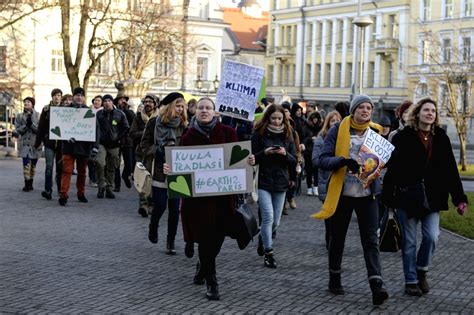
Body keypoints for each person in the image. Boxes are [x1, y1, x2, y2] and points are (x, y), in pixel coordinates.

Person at [382, 98, 468, 297]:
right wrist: (388, 197)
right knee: (409, 242)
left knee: (432, 236)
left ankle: (422, 271)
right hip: (407, 196)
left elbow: (450, 171)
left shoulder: (442, 138)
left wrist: (459, 198)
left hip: (433, 197)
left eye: (433, 111)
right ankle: (411, 280)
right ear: (417, 113)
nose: (430, 113)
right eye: (426, 110)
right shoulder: (403, 137)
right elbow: (393, 169)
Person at [176, 97, 254, 300]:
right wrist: (171, 169)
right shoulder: (188, 137)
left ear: (215, 112)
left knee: (215, 241)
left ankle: (203, 267)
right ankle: (212, 282)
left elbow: (239, 161)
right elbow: (181, 168)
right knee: (205, 239)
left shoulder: (229, 133)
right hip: (198, 201)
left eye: (208, 108)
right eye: (200, 107)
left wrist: (249, 160)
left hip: (223, 199)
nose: (204, 111)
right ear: (195, 112)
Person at [317, 94, 389, 306]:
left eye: (369, 108)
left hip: (367, 195)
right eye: (361, 108)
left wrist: (380, 170)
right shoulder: (337, 130)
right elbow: (322, 159)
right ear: (353, 110)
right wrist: (342, 161)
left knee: (371, 241)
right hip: (342, 195)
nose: (365, 111)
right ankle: (334, 277)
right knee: (337, 238)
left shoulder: (375, 132)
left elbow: (382, 162)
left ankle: (377, 286)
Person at [140, 92, 187, 254]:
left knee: (175, 208)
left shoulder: (184, 124)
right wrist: (161, 149)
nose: (181, 109)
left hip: (179, 171)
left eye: (183, 106)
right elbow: (144, 146)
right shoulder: (155, 122)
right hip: (159, 169)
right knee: (159, 205)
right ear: (169, 106)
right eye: (178, 105)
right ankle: (153, 226)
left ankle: (171, 242)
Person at [251, 104, 296, 268]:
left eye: (279, 118)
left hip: (281, 181)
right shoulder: (258, 134)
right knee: (268, 217)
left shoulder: (288, 134)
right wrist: (266, 153)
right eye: (273, 118)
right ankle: (269, 253)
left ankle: (263, 237)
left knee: (275, 222)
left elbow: (294, 160)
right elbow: (252, 158)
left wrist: (285, 154)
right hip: (263, 180)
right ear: (267, 118)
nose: (277, 122)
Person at [58, 87, 99, 206]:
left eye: (81, 95)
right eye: (77, 95)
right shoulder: (66, 111)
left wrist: (95, 146)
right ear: (73, 96)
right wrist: (66, 137)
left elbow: (95, 130)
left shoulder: (89, 112)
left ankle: (81, 193)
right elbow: (60, 127)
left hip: (83, 147)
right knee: (67, 171)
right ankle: (63, 194)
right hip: (69, 147)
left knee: (82, 173)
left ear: (84, 98)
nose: (79, 97)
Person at [312, 110, 342, 249]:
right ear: (327, 123)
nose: (335, 123)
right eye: (332, 120)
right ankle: (329, 240)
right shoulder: (321, 139)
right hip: (326, 181)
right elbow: (316, 160)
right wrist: (332, 162)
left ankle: (335, 240)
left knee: (338, 215)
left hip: (341, 182)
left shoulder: (343, 139)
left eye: (338, 120)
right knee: (329, 215)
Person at [130, 94, 159, 217]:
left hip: (154, 154)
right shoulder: (138, 117)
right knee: (142, 179)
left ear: (155, 104)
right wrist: (146, 132)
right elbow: (132, 133)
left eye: (150, 102)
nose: (147, 104)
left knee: (152, 179)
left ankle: (152, 204)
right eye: (145, 101)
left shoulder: (160, 117)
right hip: (140, 152)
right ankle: (143, 205)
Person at [95, 94, 130, 199]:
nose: (107, 103)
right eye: (105, 101)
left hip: (114, 144)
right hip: (102, 143)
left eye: (109, 100)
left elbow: (126, 127)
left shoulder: (120, 114)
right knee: (100, 163)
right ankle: (101, 185)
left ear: (112, 102)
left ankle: (109, 187)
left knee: (112, 166)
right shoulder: (99, 114)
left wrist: (119, 137)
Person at [35, 88, 64, 199]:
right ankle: (48, 190)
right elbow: (41, 127)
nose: (57, 97)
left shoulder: (65, 109)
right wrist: (37, 143)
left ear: (61, 97)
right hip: (49, 143)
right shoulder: (46, 109)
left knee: (60, 168)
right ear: (52, 97)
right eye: (55, 95)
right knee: (49, 167)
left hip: (61, 144)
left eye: (58, 95)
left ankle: (61, 190)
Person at [14, 97, 42, 191]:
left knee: (33, 165)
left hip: (35, 144)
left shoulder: (38, 115)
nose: (26, 103)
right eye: (25, 102)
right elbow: (17, 130)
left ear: (32, 104)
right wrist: (26, 126)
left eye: (28, 102)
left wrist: (32, 125)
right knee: (26, 164)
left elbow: (40, 130)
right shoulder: (19, 116)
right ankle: (26, 183)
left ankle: (31, 183)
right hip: (25, 144)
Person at [114, 93, 135, 191]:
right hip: (117, 140)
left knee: (129, 163)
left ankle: (125, 175)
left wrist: (126, 109)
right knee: (116, 164)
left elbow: (133, 122)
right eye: (120, 99)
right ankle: (117, 185)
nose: (122, 101)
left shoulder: (129, 112)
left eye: (124, 99)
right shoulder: (114, 112)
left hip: (127, 141)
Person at [302, 110, 323, 196]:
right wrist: (311, 139)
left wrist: (317, 139)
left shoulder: (321, 128)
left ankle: (316, 188)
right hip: (308, 152)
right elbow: (304, 139)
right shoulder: (306, 128)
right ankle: (309, 188)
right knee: (309, 170)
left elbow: (324, 137)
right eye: (313, 119)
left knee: (316, 171)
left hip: (318, 152)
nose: (315, 120)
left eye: (317, 119)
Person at [88, 95, 102, 187]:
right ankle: (92, 178)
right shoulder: (89, 111)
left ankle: (97, 178)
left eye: (99, 100)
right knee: (90, 160)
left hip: (99, 139)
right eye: (95, 100)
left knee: (97, 160)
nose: (96, 102)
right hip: (89, 137)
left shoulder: (103, 112)